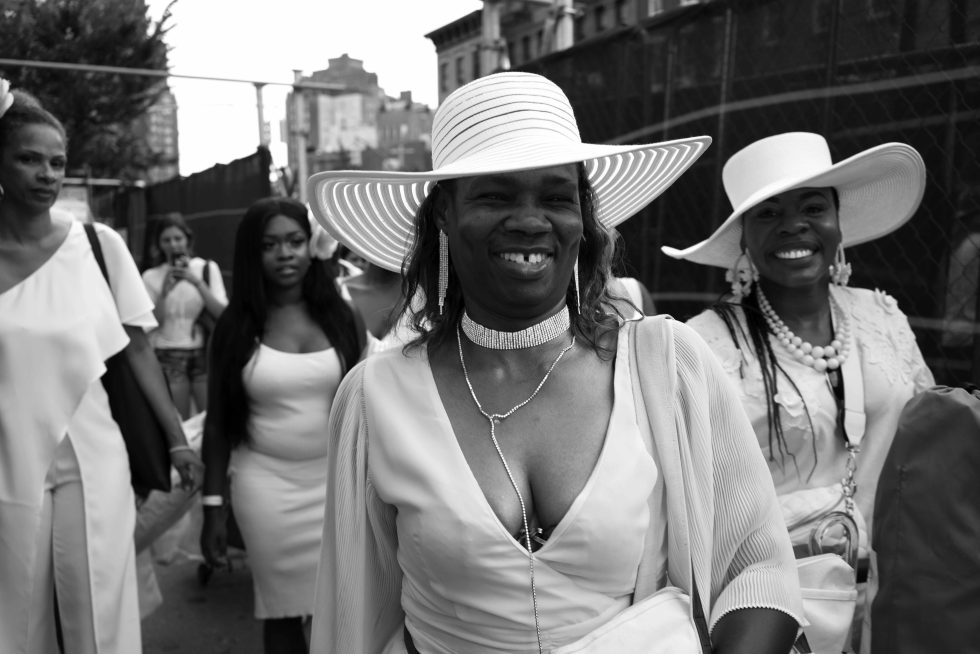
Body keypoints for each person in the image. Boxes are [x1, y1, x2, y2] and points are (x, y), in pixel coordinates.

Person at [307, 72, 803, 654]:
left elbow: (758, 567)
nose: (530, 220)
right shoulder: (373, 397)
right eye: (494, 194)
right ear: (445, 211)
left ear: (582, 216)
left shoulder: (667, 367)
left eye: (555, 196)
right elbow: (354, 609)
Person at [662, 131, 936, 651]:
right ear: (743, 238)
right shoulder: (707, 344)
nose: (794, 225)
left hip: (894, 596)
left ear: (837, 224)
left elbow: (928, 445)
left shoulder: (882, 315)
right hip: (780, 614)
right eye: (768, 214)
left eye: (813, 207)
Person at [0, 81, 199, 652]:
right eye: (29, 159)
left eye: (57, 162)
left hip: (95, 454)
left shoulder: (96, 243)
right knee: (15, 614)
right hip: (9, 455)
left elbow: (138, 350)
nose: (46, 174)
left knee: (98, 608)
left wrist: (176, 441)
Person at [199, 197, 366, 654]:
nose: (285, 253)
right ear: (252, 255)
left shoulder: (342, 314)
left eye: (294, 241)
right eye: (269, 245)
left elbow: (366, 404)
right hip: (266, 488)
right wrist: (213, 506)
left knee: (347, 610)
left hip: (338, 487)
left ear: (312, 246)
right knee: (281, 610)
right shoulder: (234, 326)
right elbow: (216, 425)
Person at [142, 212, 227, 419]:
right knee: (181, 421)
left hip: (202, 353)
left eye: (178, 238)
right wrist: (164, 292)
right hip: (167, 353)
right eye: (167, 240)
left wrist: (197, 283)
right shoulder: (151, 276)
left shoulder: (206, 268)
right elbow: (150, 322)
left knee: (209, 419)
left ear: (187, 239)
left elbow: (223, 314)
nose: (173, 245)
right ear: (159, 244)